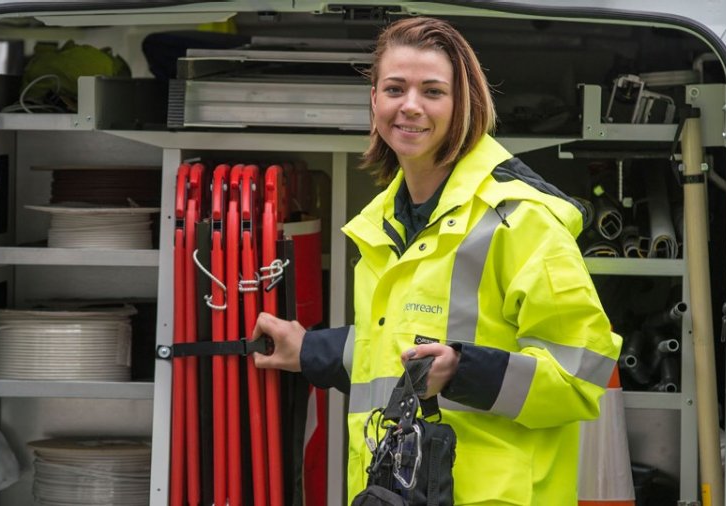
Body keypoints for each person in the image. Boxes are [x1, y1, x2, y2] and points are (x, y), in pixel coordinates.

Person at [252, 16, 622, 504]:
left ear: (463, 104)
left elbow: (579, 374)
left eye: (432, 91)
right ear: (374, 101)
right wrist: (310, 351)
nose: (410, 106)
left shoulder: (518, 218)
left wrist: (464, 371)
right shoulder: (385, 221)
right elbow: (398, 351)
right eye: (394, 88)